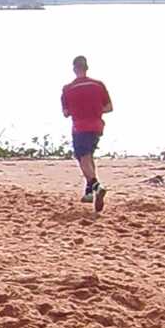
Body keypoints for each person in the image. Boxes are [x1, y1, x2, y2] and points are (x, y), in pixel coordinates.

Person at [61, 55, 113, 212]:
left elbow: (66, 112)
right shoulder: (98, 85)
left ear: (74, 69)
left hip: (80, 126)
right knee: (88, 157)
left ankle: (96, 185)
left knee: (82, 159)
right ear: (86, 67)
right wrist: (95, 111)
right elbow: (109, 107)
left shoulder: (68, 89)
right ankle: (89, 192)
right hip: (96, 125)